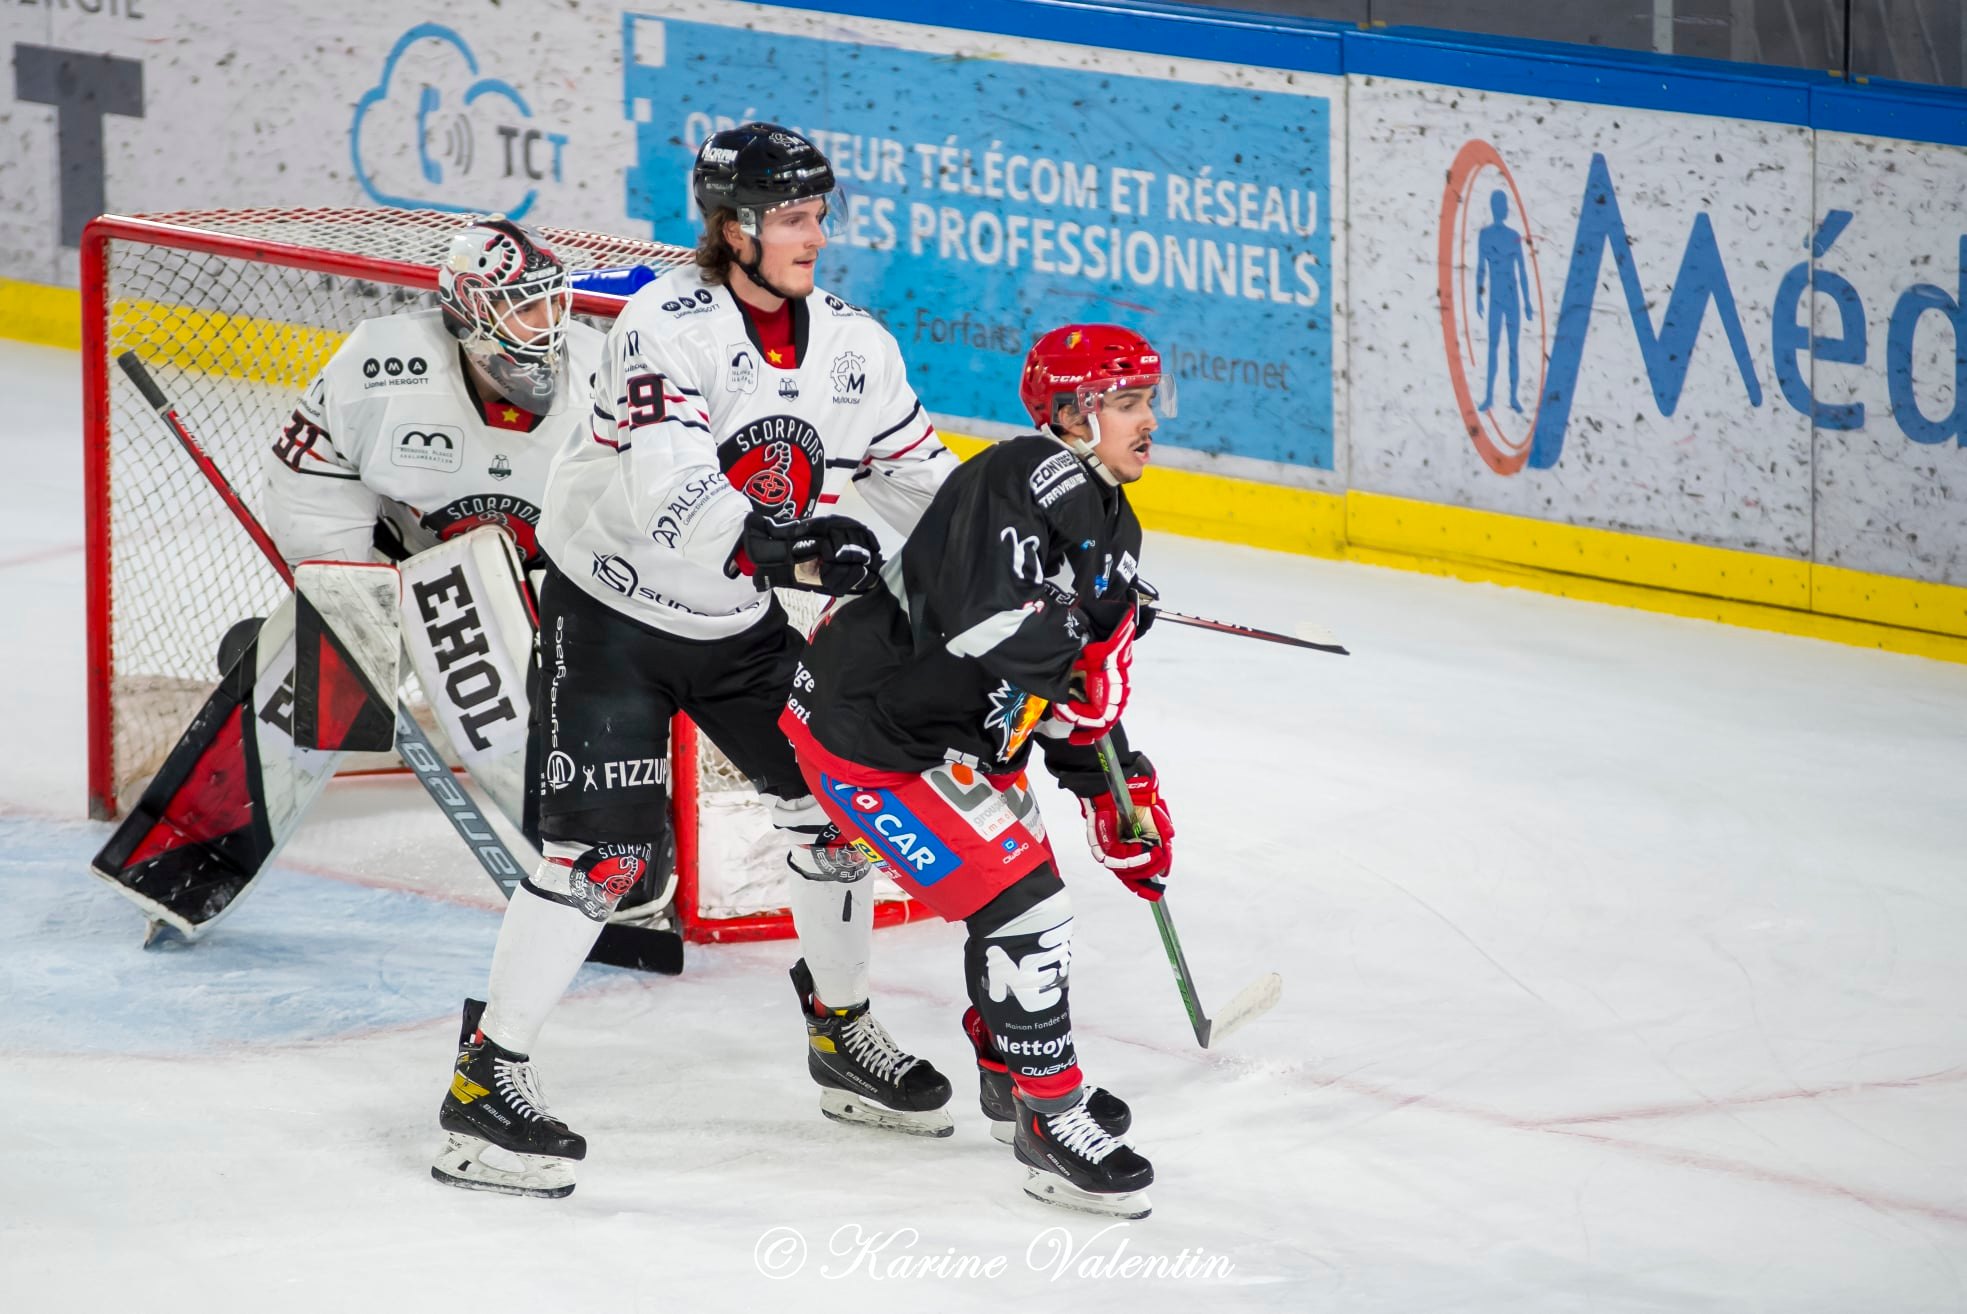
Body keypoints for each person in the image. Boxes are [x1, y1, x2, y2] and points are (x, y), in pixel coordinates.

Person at [431, 123, 958, 1199]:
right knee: (605, 863)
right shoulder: (662, 326)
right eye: (796, 218)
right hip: (611, 619)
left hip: (737, 629)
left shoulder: (857, 346)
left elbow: (927, 486)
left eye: (819, 215)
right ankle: (484, 1085)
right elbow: (669, 492)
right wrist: (796, 545)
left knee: (835, 813)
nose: (817, 235)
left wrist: (1028, 554)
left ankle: (839, 1034)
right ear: (736, 227)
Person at [90, 217, 609, 941]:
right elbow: (310, 476)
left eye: (553, 302)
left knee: (562, 710)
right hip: (394, 567)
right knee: (301, 683)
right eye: (523, 306)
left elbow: (637, 517)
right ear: (467, 311)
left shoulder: (605, 375)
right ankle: (185, 858)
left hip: (548, 586)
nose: (547, 323)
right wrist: (349, 604)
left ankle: (615, 869)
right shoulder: (382, 366)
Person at [777, 324, 1177, 1219]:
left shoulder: (1114, 519)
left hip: (955, 741)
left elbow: (1070, 696)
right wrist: (1090, 640)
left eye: (1148, 400)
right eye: (1125, 402)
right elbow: (983, 622)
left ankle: (1007, 1070)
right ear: (1071, 413)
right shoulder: (1018, 473)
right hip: (870, 735)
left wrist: (1115, 790)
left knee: (1024, 896)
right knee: (1024, 908)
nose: (1147, 420)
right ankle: (1049, 1119)